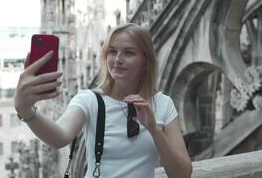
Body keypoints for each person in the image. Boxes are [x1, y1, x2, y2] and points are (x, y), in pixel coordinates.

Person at [14, 23, 192, 178]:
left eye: (128, 53)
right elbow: (60, 137)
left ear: (146, 60)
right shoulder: (90, 99)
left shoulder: (163, 104)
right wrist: (25, 109)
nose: (117, 59)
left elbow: (182, 174)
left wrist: (154, 130)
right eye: (112, 51)